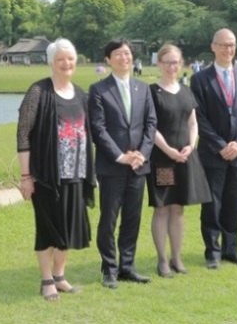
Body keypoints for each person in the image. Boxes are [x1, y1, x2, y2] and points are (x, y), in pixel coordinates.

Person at [16, 38, 96, 301]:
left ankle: (60, 276)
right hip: (47, 176)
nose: (66, 63)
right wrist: (26, 177)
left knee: (67, 228)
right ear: (51, 62)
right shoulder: (39, 92)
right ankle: (46, 279)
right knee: (48, 228)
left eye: (70, 58)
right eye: (60, 59)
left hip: (76, 174)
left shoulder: (80, 93)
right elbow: (23, 134)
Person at [88, 37, 158, 289]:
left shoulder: (143, 88)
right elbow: (98, 128)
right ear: (108, 60)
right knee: (109, 219)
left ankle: (127, 266)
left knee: (132, 218)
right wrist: (120, 155)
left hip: (139, 165)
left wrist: (142, 153)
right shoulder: (98, 90)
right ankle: (109, 269)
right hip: (112, 166)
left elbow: (151, 124)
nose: (123, 57)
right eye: (117, 54)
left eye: (127, 53)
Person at [190, 28, 237, 269]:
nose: (227, 49)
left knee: (234, 202)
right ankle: (212, 252)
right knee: (212, 204)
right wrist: (220, 145)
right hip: (212, 154)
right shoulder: (200, 79)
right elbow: (199, 117)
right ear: (213, 47)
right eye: (223, 45)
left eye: (231, 45)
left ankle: (232, 249)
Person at [147, 44, 212, 278]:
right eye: (167, 62)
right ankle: (162, 260)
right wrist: (168, 150)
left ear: (181, 64)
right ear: (159, 64)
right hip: (162, 159)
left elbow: (192, 122)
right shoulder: (152, 92)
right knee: (162, 209)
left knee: (179, 209)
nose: (172, 66)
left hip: (185, 157)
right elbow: (150, 127)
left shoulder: (186, 91)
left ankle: (177, 257)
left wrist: (190, 145)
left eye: (175, 62)